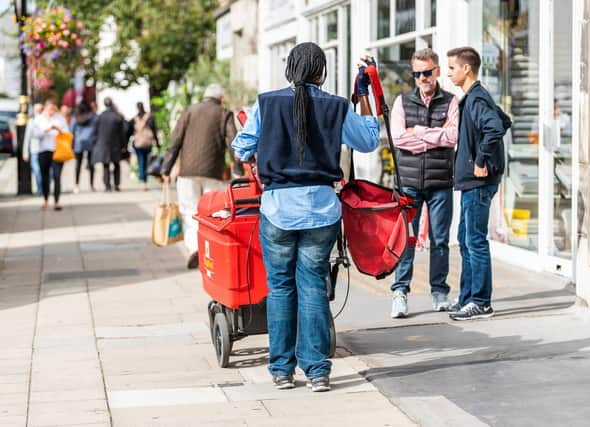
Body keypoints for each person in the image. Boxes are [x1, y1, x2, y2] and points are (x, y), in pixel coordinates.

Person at [231, 43, 380, 392]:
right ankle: (317, 371)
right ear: (321, 71)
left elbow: (240, 146)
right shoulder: (337, 107)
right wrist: (367, 100)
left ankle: (282, 370)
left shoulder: (266, 103)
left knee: (281, 287)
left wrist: (258, 157)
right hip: (321, 209)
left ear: (290, 68)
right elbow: (369, 141)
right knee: (313, 285)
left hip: (278, 208)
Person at [388, 48, 459, 318]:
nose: (422, 78)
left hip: (441, 180)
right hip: (409, 182)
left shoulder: (451, 102)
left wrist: (417, 133)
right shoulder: (402, 102)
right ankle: (400, 292)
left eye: (427, 72)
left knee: (440, 240)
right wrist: (434, 135)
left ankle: (439, 292)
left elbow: (452, 137)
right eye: (417, 74)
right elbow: (398, 139)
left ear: (437, 71)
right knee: (406, 239)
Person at [446, 46, 511, 320]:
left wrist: (481, 160)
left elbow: (496, 127)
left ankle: (481, 302)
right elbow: (504, 121)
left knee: (475, 240)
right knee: (465, 239)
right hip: (470, 183)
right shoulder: (474, 97)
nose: (449, 73)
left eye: (451, 68)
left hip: (478, 183)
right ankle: (467, 298)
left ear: (466, 69)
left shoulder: (476, 99)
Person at [161, 84, 237, 269]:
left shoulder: (189, 111)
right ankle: (211, 250)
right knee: (213, 213)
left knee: (190, 211)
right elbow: (233, 141)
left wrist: (166, 168)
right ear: (221, 99)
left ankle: (195, 249)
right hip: (213, 172)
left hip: (187, 172)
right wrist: (239, 169)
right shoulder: (224, 113)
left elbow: (175, 141)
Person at [31, 99, 69, 210]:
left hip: (57, 151)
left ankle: (57, 201)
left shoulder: (60, 119)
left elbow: (67, 133)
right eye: (49, 109)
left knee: (57, 176)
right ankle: (45, 199)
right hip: (43, 151)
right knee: (44, 177)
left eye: (53, 109)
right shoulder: (38, 120)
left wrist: (59, 130)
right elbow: (35, 134)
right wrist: (47, 130)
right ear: (45, 109)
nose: (51, 112)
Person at [92, 97, 127, 192]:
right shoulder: (117, 117)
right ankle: (116, 184)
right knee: (116, 164)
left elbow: (94, 132)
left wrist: (95, 143)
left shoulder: (100, 117)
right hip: (115, 144)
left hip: (103, 144)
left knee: (106, 165)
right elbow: (122, 133)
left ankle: (107, 186)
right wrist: (124, 145)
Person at [129, 102, 160, 190]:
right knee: (146, 161)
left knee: (140, 161)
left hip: (138, 143)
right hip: (147, 143)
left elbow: (129, 131)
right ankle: (144, 179)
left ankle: (143, 180)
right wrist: (157, 144)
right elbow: (154, 131)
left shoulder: (135, 119)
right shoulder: (150, 118)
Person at [71, 100, 96, 193]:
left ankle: (76, 184)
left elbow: (71, 131)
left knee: (78, 165)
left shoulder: (75, 118)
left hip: (78, 143)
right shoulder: (92, 117)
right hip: (90, 142)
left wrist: (71, 144)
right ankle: (92, 185)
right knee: (91, 165)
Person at [22, 103, 44, 195]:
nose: (38, 112)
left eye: (40, 110)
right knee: (37, 171)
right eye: (36, 110)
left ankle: (43, 188)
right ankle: (40, 189)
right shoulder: (31, 121)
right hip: (34, 150)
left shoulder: (45, 120)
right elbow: (27, 138)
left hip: (44, 150)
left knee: (45, 171)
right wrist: (25, 153)